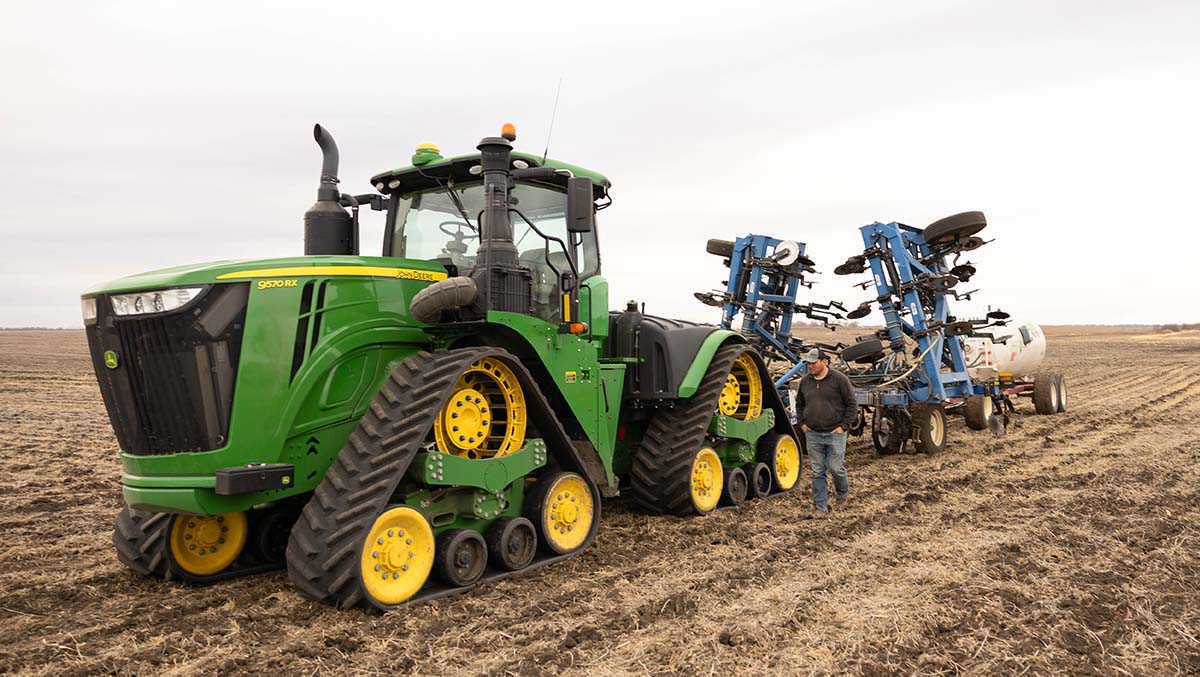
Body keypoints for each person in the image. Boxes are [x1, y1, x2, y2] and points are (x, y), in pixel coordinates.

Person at [795, 347, 858, 517]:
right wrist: (802, 424)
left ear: (824, 362)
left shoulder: (839, 380)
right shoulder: (805, 382)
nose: (811, 366)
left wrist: (843, 426)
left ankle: (842, 494)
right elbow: (799, 404)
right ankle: (820, 507)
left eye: (814, 363)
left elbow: (852, 405)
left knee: (836, 467)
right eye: (808, 364)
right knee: (817, 471)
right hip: (813, 433)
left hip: (835, 432)